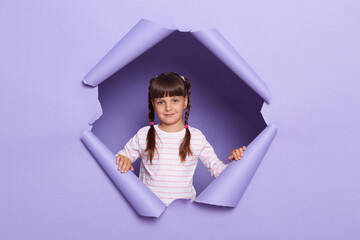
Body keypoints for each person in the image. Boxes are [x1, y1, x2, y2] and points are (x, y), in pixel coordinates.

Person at [115, 72, 246, 206]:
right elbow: (120, 159)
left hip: (184, 215)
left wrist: (235, 162)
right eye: (161, 102)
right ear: (153, 104)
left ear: (185, 101)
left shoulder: (196, 137)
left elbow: (218, 171)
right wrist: (123, 158)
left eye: (175, 100)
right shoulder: (144, 135)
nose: (168, 108)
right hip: (148, 208)